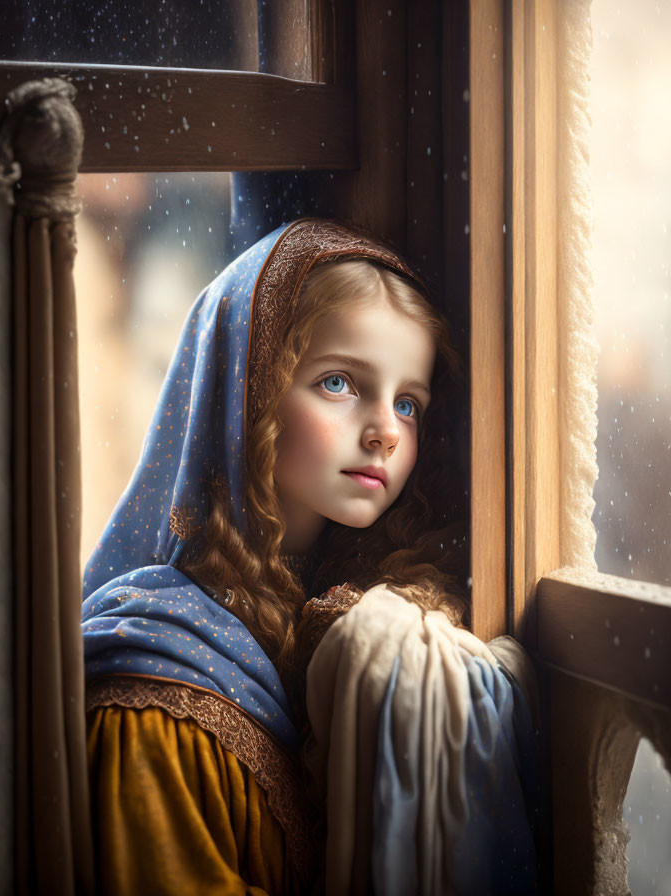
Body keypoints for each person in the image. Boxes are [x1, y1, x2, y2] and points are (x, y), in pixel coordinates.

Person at [82, 217, 541, 895]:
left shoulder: (364, 616)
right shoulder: (152, 692)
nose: (385, 429)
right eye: (339, 383)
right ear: (247, 392)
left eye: (408, 402)